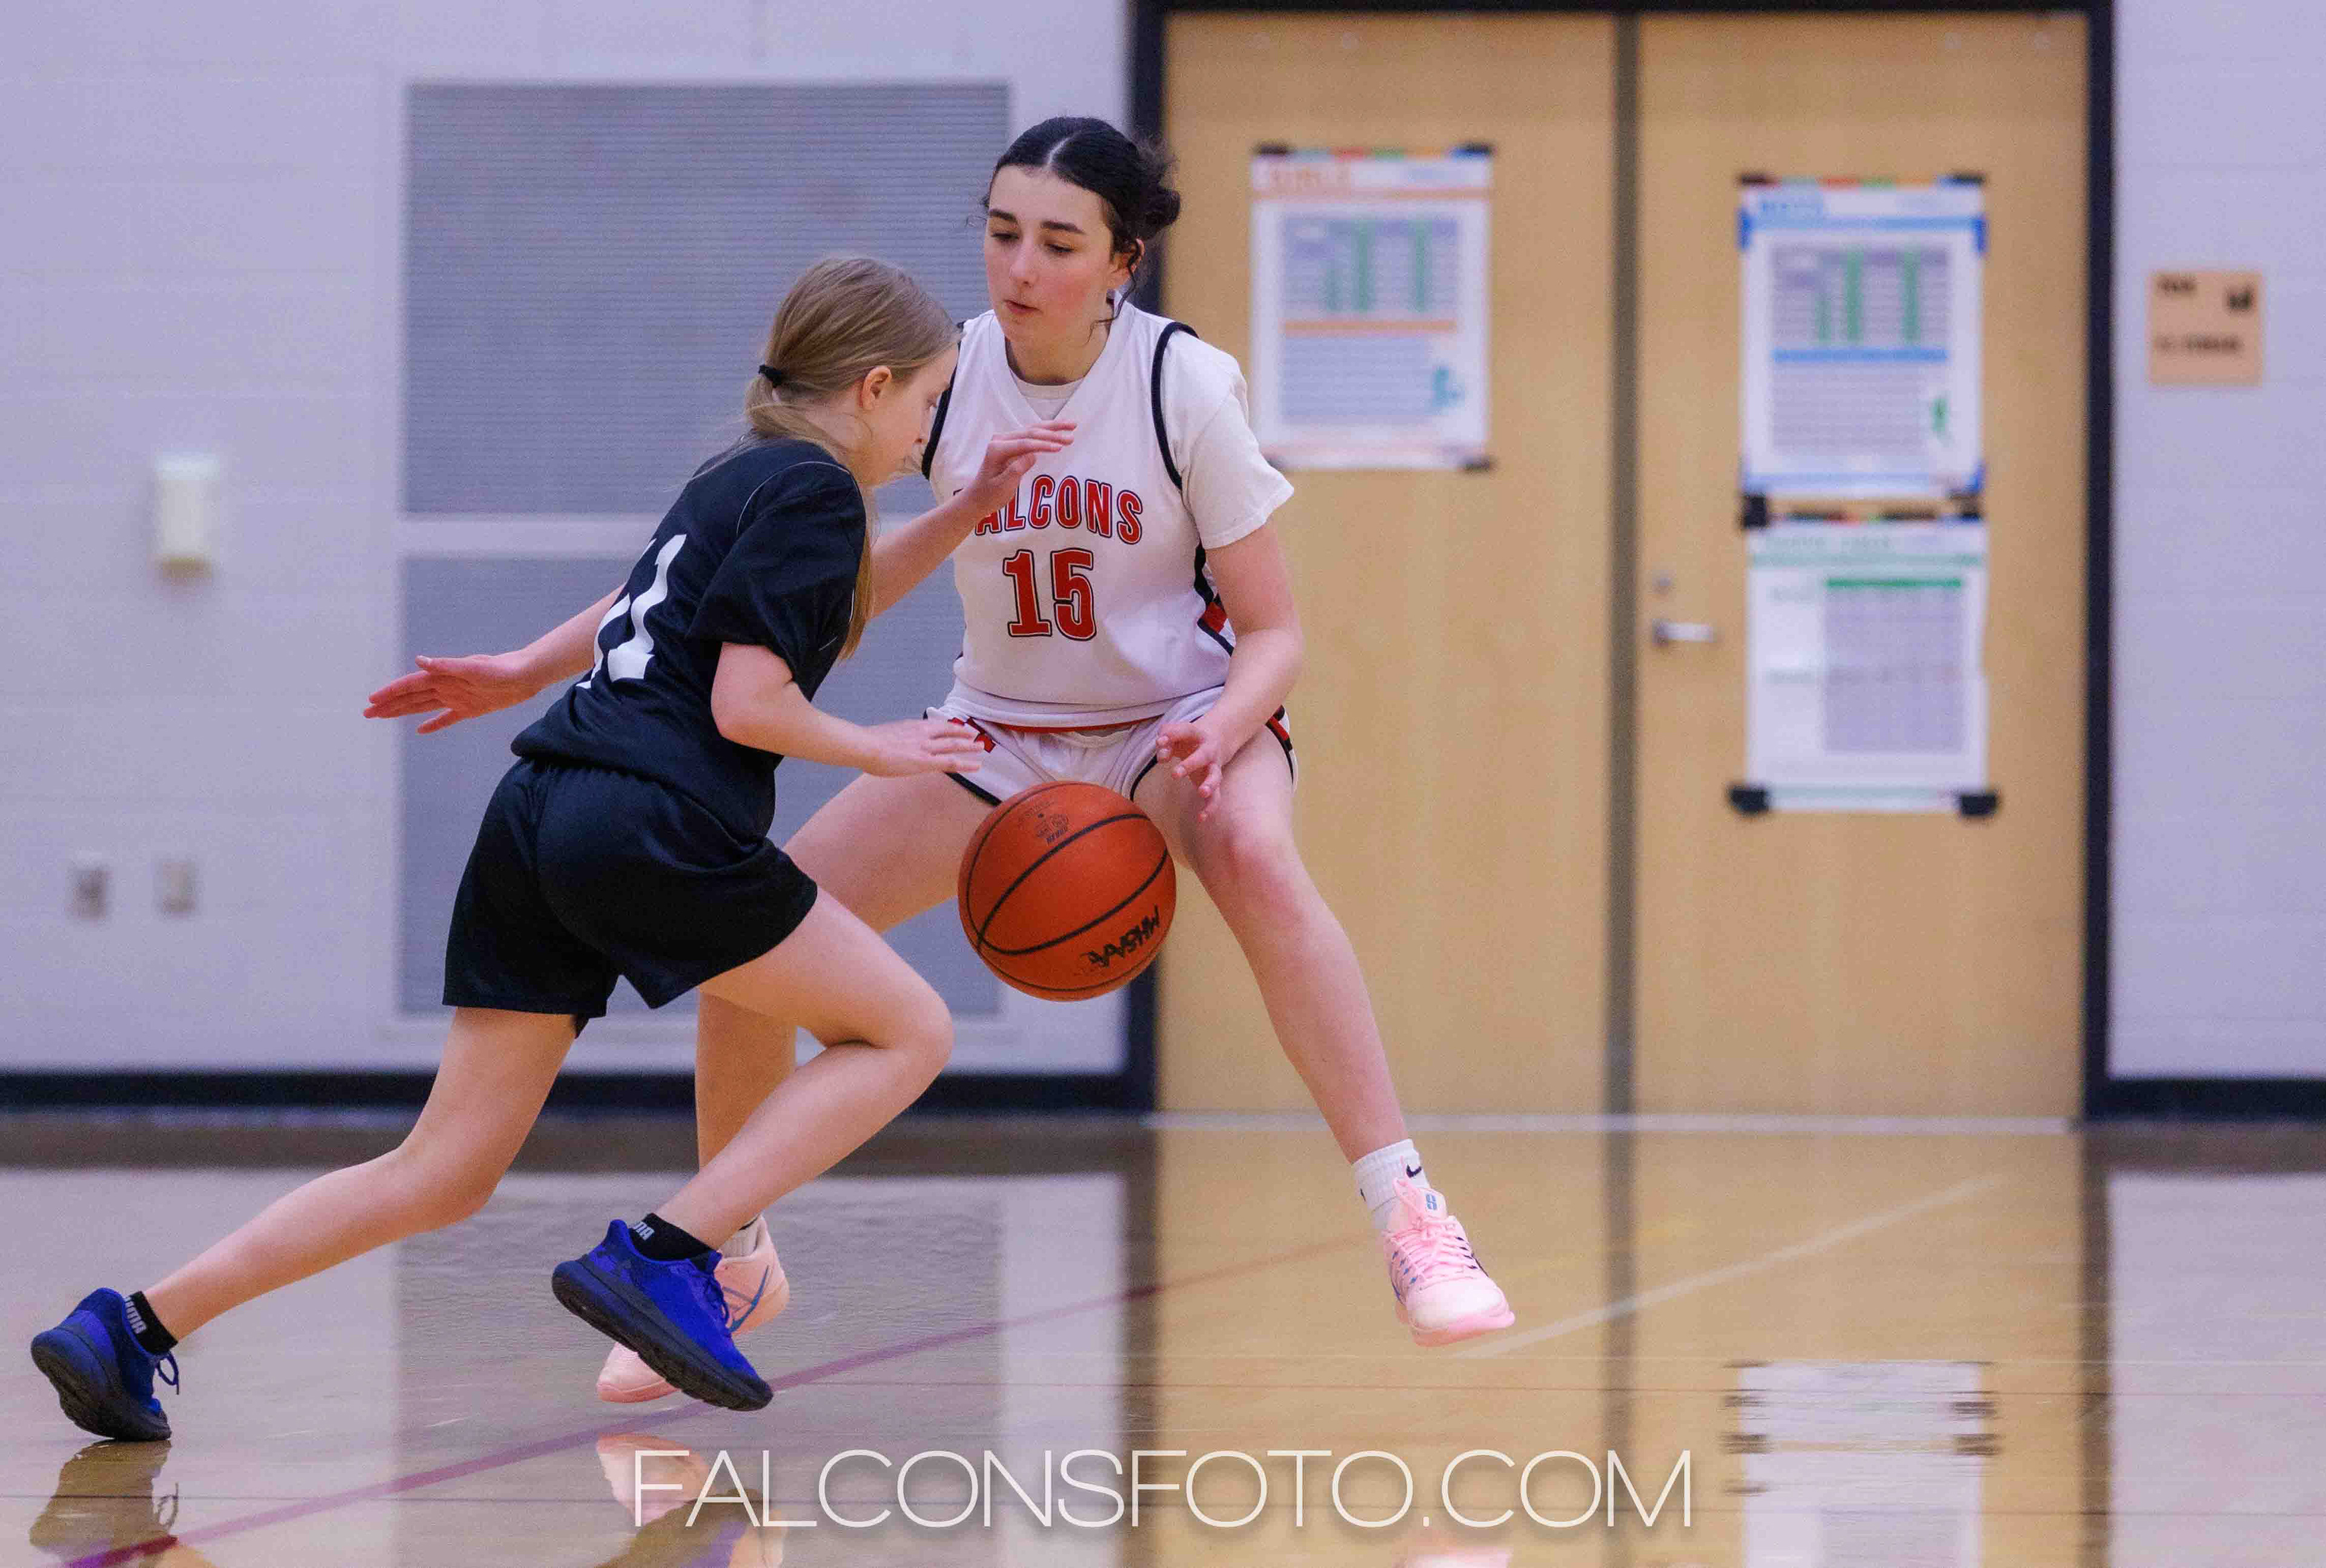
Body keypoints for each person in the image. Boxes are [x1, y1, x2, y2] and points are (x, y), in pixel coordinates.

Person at [374, 118, 1514, 1380]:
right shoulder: (940, 374)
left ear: (1122, 261)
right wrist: (532, 667)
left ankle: (1410, 1213)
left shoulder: (1181, 385)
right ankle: (722, 1261)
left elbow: (1277, 634)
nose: (1021, 266)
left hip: (1176, 722)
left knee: (1253, 851)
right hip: (1000, 733)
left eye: (1059, 244)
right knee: (747, 946)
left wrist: (1226, 721)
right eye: (1002, 232)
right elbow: (725, 565)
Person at [29, 256, 1072, 1441]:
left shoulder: (745, 473)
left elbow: (715, 604)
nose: (931, 431)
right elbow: (747, 703)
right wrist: (881, 749)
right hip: (651, 816)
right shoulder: (819, 492)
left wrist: (527, 667)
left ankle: (133, 1327)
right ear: (875, 387)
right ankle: (671, 1254)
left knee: (442, 1167)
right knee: (908, 1028)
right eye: (929, 402)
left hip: (540, 806)